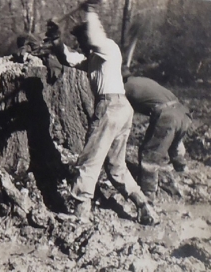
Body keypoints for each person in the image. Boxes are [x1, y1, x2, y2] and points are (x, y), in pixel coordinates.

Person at [46, 1, 158, 225]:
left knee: (89, 160)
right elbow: (67, 58)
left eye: (82, 40)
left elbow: (96, 38)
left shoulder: (108, 48)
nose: (81, 45)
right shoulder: (93, 60)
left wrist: (90, 11)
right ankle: (143, 205)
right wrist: (56, 41)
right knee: (116, 166)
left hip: (110, 106)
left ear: (88, 37)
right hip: (122, 109)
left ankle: (80, 214)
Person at [122, 67, 191, 201]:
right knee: (174, 145)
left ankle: (148, 195)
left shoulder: (124, 87)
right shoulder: (142, 80)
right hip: (183, 114)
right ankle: (182, 171)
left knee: (149, 155)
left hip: (167, 117)